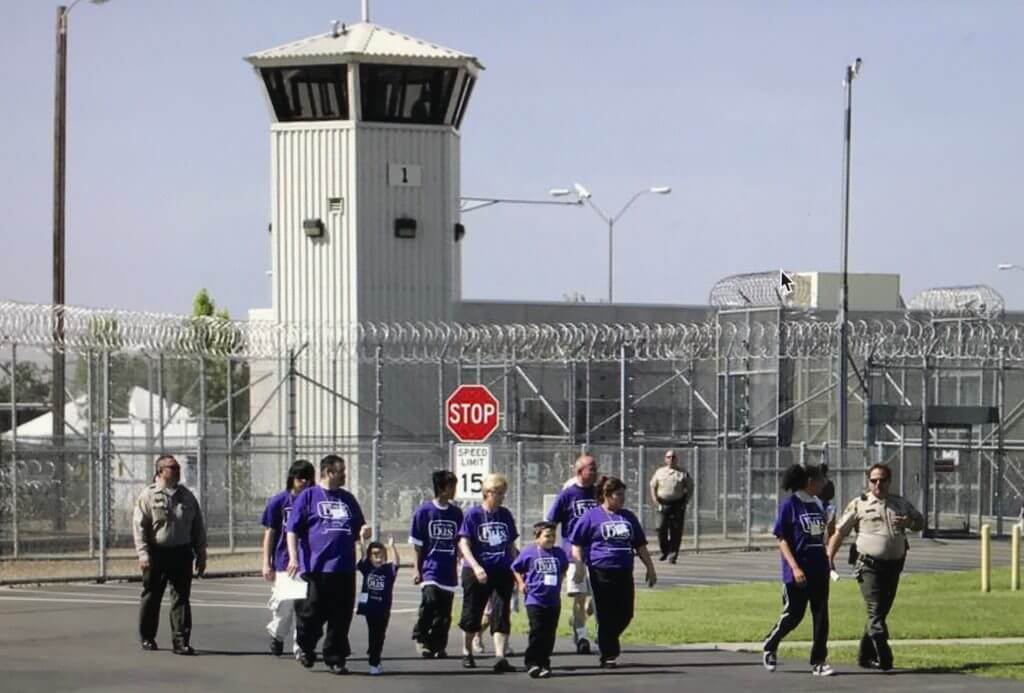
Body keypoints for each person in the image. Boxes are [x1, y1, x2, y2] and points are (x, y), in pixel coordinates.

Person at [827, 463, 925, 671]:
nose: (877, 484)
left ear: (889, 482)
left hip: (894, 566)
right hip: (869, 566)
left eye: (882, 480)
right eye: (873, 480)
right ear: (868, 482)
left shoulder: (899, 503)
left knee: (879, 612)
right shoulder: (859, 504)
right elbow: (839, 532)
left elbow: (920, 522)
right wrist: (829, 556)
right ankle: (884, 654)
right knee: (875, 610)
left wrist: (909, 523)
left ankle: (864, 656)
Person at [286, 454, 366, 674]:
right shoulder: (309, 496)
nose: (345, 476)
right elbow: (292, 529)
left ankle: (336, 656)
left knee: (341, 616)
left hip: (343, 567)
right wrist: (293, 557)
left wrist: (363, 533)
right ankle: (306, 646)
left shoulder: (348, 499)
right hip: (316, 568)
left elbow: (359, 527)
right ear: (329, 472)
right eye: (341, 471)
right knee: (311, 614)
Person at [569, 476, 656, 668]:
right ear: (606, 495)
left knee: (626, 613)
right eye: (618, 495)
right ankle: (609, 654)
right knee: (606, 614)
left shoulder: (628, 517)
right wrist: (579, 566)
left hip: (624, 570)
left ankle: (606, 638)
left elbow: (639, 545)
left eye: (623, 495)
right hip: (601, 570)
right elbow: (577, 544)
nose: (622, 499)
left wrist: (650, 567)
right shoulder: (591, 516)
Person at [761, 464, 834, 677]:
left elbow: (823, 535)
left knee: (821, 616)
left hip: (819, 568)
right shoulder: (790, 505)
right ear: (810, 481)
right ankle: (770, 644)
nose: (824, 484)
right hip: (798, 569)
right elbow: (782, 539)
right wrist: (794, 567)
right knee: (794, 614)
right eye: (820, 480)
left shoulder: (819, 504)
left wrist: (829, 556)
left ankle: (818, 661)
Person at [132, 454, 207, 655]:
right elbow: (139, 527)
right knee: (152, 596)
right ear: (160, 471)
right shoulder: (148, 495)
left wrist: (201, 554)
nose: (176, 471)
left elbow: (198, 527)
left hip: (182, 553)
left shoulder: (187, 496)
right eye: (171, 467)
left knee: (181, 598)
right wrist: (143, 554)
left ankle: (181, 641)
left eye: (177, 467)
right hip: (157, 553)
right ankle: (147, 637)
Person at [458, 473, 519, 673]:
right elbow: (464, 543)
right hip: (477, 571)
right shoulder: (473, 515)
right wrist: (475, 566)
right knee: (473, 613)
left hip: (501, 570)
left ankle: (500, 656)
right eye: (499, 493)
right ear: (487, 493)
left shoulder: (505, 515)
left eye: (503, 493)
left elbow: (510, 544)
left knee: (501, 613)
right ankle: (467, 651)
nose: (502, 497)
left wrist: (516, 568)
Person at [545, 453, 599, 654]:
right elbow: (551, 521)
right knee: (579, 596)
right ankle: (582, 636)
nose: (595, 472)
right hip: (574, 554)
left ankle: (578, 621)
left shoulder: (598, 493)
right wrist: (548, 547)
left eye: (595, 467)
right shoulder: (568, 495)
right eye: (591, 468)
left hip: (597, 553)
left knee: (594, 602)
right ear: (580, 472)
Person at [261, 459, 315, 658]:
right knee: (285, 608)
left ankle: (300, 647)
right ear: (292, 478)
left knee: (305, 609)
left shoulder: (314, 500)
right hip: (285, 561)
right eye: (301, 478)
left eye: (309, 479)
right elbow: (270, 532)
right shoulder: (279, 502)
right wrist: (266, 562)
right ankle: (277, 636)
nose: (305, 482)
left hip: (308, 561)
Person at [409, 469, 464, 659]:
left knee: (444, 613)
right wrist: (416, 569)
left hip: (448, 570)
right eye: (451, 487)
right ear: (441, 489)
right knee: (430, 601)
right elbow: (417, 544)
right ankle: (422, 637)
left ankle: (438, 645)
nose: (454, 490)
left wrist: (462, 559)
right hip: (429, 568)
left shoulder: (456, 513)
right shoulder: (424, 512)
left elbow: (461, 541)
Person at [512, 521, 569, 679]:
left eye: (553, 536)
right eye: (547, 536)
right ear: (536, 537)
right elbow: (515, 568)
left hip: (553, 601)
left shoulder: (559, 553)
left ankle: (544, 662)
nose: (551, 539)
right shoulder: (529, 552)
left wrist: (560, 580)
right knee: (537, 631)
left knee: (549, 633)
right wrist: (522, 583)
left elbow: (564, 568)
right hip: (534, 599)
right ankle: (532, 663)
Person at [357, 531, 400, 675]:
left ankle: (374, 650)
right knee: (373, 633)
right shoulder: (367, 568)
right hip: (370, 608)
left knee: (380, 634)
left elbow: (396, 563)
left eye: (381, 554)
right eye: (374, 554)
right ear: (370, 556)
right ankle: (374, 663)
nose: (378, 557)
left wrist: (392, 546)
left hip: (383, 608)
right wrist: (362, 539)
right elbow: (362, 555)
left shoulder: (388, 570)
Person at [649, 449, 693, 563]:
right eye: (669, 457)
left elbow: (690, 487)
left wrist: (685, 502)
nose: (671, 459)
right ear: (665, 459)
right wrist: (655, 500)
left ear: (677, 459)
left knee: (676, 531)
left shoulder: (682, 472)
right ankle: (665, 550)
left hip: (677, 504)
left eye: (673, 457)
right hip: (662, 504)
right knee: (660, 528)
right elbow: (653, 486)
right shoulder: (660, 472)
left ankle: (673, 555)